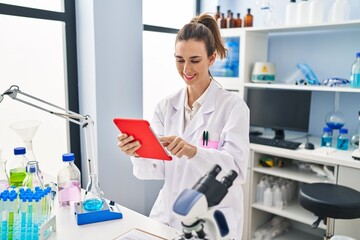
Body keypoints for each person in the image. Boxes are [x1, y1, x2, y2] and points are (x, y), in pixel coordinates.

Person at [117, 13, 249, 239]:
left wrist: (194, 152)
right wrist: (137, 152)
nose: (186, 68)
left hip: (211, 218)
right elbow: (156, 169)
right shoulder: (165, 106)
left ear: (212, 58)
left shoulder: (233, 108)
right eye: (180, 59)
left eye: (195, 60)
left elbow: (235, 172)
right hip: (169, 214)